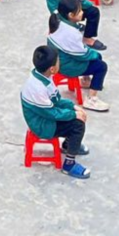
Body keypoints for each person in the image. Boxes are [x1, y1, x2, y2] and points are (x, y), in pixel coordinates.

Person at [18, 43, 90, 179]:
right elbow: (51, 113)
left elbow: (56, 100)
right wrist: (74, 114)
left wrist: (73, 107)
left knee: (75, 115)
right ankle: (69, 165)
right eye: (58, 61)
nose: (59, 63)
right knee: (78, 125)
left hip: (45, 114)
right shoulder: (37, 88)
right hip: (42, 124)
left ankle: (69, 145)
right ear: (52, 69)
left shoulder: (43, 76)